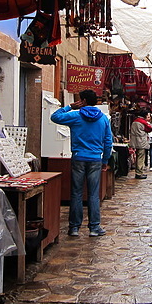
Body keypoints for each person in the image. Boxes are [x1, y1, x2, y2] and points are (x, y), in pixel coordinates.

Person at [50, 89, 113, 237]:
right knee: (93, 194)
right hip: (95, 159)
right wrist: (105, 160)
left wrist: (69, 107)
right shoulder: (103, 119)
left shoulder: (75, 116)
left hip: (78, 157)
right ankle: (94, 227)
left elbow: (55, 117)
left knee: (77, 193)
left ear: (83, 101)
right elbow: (108, 142)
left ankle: (74, 228)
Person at [129, 109, 152, 179]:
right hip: (141, 141)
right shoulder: (143, 122)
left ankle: (138, 171)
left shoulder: (134, 121)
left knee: (137, 156)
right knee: (140, 157)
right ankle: (139, 173)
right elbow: (149, 129)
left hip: (134, 141)